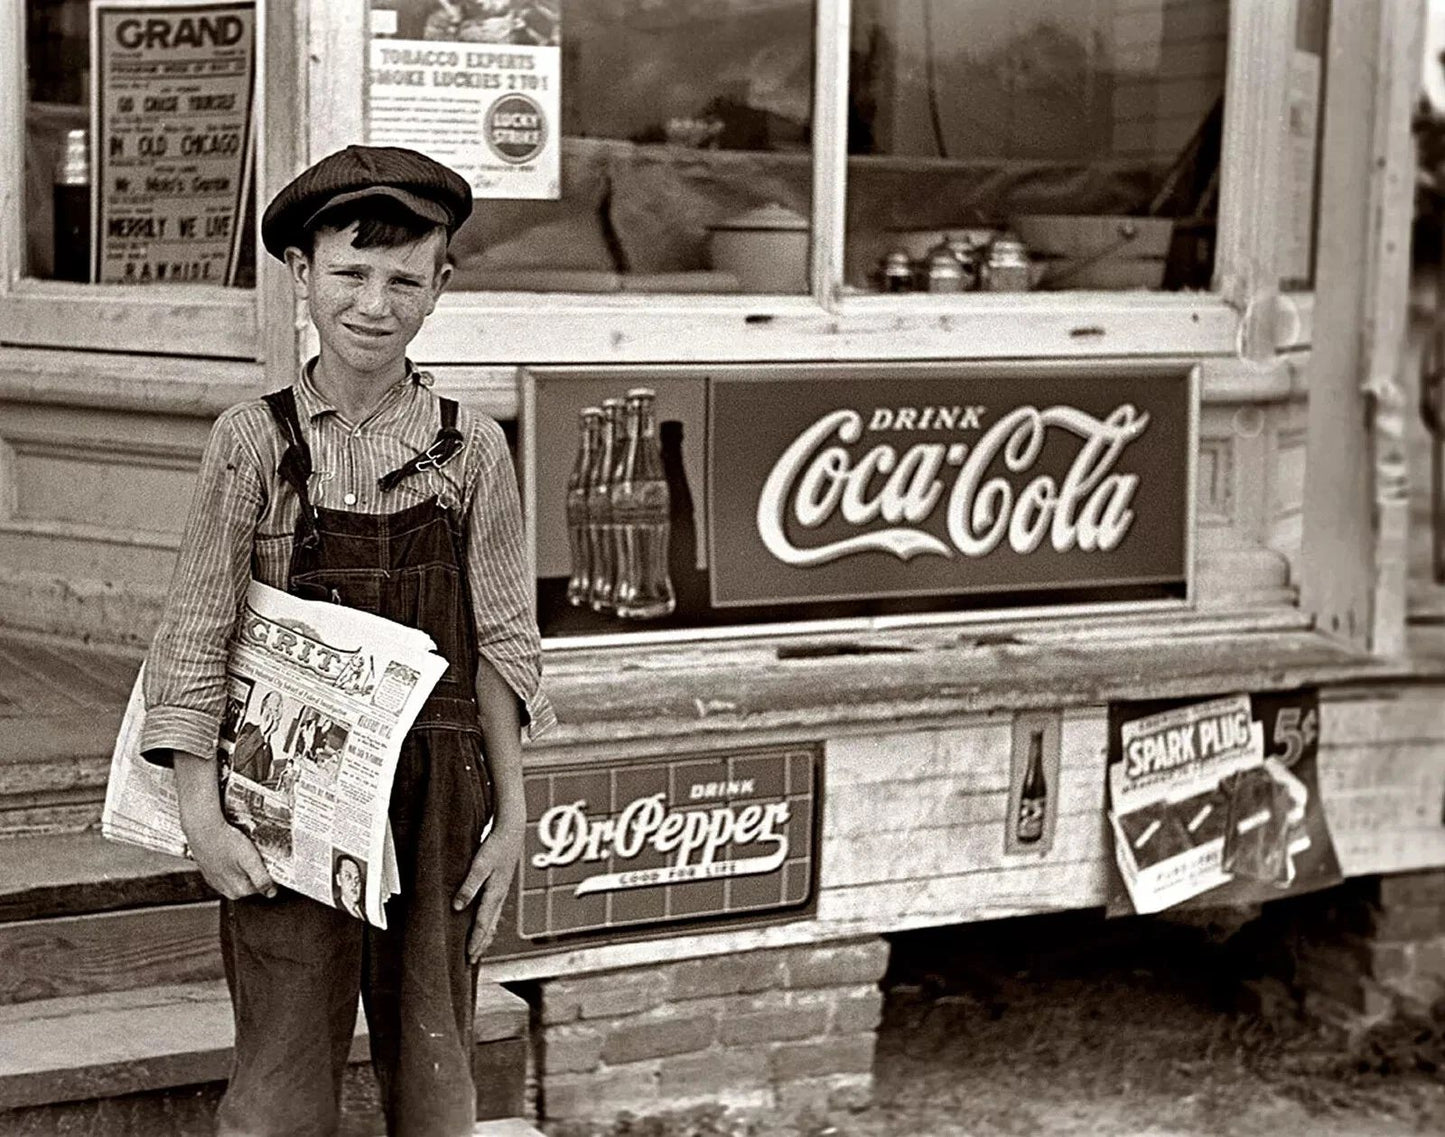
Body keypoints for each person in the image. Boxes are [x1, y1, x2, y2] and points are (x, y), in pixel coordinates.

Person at [139, 144, 555, 1137]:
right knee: (281, 1073)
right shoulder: (253, 441)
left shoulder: (471, 448)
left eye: (404, 279)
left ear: (440, 286)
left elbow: (503, 641)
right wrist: (202, 813)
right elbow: (196, 628)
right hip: (285, 797)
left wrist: (513, 818)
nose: (375, 303)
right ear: (302, 277)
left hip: (440, 797)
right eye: (350, 274)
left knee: (434, 1066)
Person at [230, 690, 283, 785]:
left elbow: (261, 780)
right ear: (263, 707)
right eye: (269, 709)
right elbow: (238, 761)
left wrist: (266, 735)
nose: (271, 715)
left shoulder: (269, 749)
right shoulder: (249, 728)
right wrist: (262, 729)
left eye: (275, 711)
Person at [333, 853, 366, 919]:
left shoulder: (366, 912)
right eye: (348, 876)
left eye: (357, 878)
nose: (354, 884)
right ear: (338, 879)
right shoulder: (333, 905)